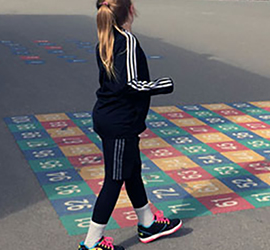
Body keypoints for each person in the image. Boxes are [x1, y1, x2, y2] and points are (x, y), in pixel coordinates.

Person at [79, 1, 182, 249]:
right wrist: (164, 84)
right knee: (114, 180)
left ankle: (147, 223)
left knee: (132, 169)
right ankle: (92, 243)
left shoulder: (105, 40)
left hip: (111, 117)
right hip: (120, 123)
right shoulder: (127, 41)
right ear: (130, 11)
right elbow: (132, 84)